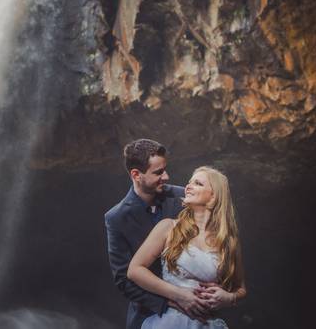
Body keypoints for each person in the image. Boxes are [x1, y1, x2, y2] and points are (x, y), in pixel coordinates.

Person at [127, 166, 247, 328]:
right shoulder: (169, 227)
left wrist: (228, 298)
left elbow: (240, 289)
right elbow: (134, 270)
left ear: (213, 196)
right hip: (171, 322)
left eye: (198, 183)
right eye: (189, 182)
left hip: (207, 324)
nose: (188, 186)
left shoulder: (228, 241)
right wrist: (178, 295)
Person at [105, 139, 189, 329]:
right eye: (158, 172)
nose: (166, 176)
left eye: (165, 169)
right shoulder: (116, 218)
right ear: (136, 174)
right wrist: (169, 301)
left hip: (193, 313)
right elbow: (123, 279)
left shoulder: (183, 197)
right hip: (148, 316)